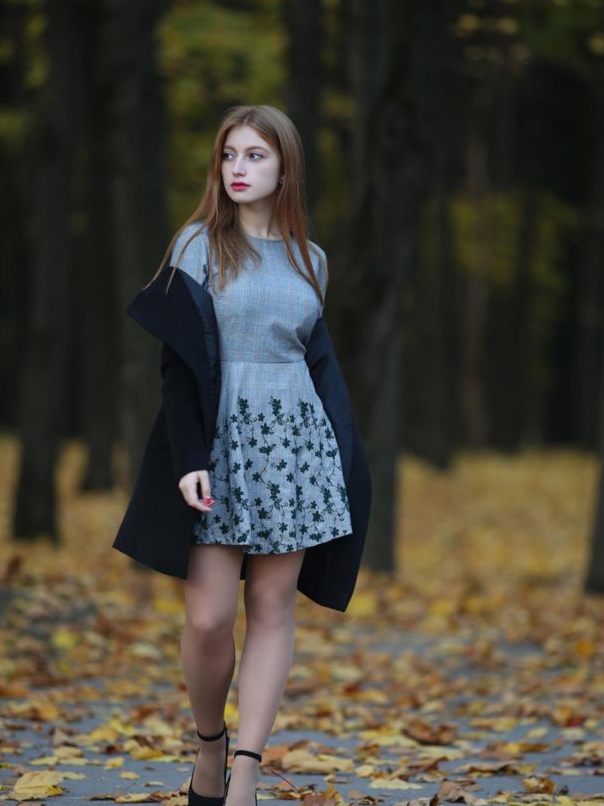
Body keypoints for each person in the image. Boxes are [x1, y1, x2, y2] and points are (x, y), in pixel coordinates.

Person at [112, 105, 372, 806]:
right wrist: (189, 457)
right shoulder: (196, 244)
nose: (238, 168)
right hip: (218, 445)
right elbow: (176, 365)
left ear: (286, 168)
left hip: (293, 446)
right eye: (229, 154)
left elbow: (314, 364)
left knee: (272, 605)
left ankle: (247, 773)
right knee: (207, 617)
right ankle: (210, 744)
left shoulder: (313, 259)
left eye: (255, 155)